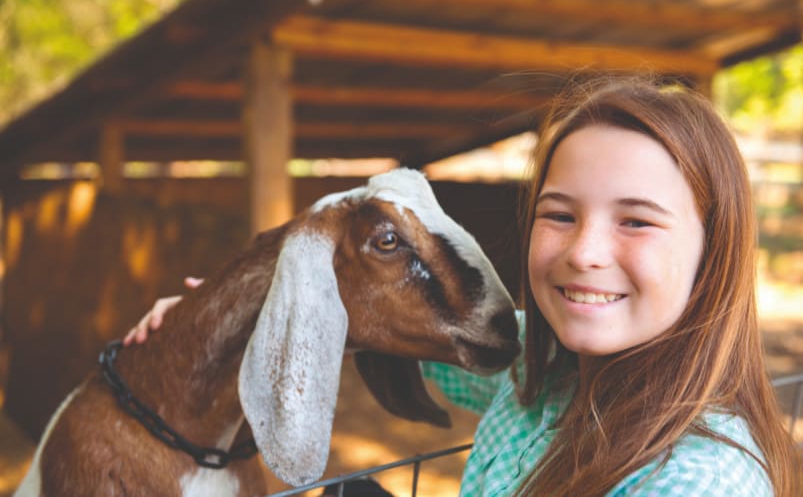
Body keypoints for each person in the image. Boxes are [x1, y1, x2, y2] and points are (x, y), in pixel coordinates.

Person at [125, 76, 801, 495]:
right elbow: (407, 325)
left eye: (636, 221)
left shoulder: (697, 481)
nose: (583, 252)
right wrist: (233, 314)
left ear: (713, 251)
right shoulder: (539, 369)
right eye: (558, 213)